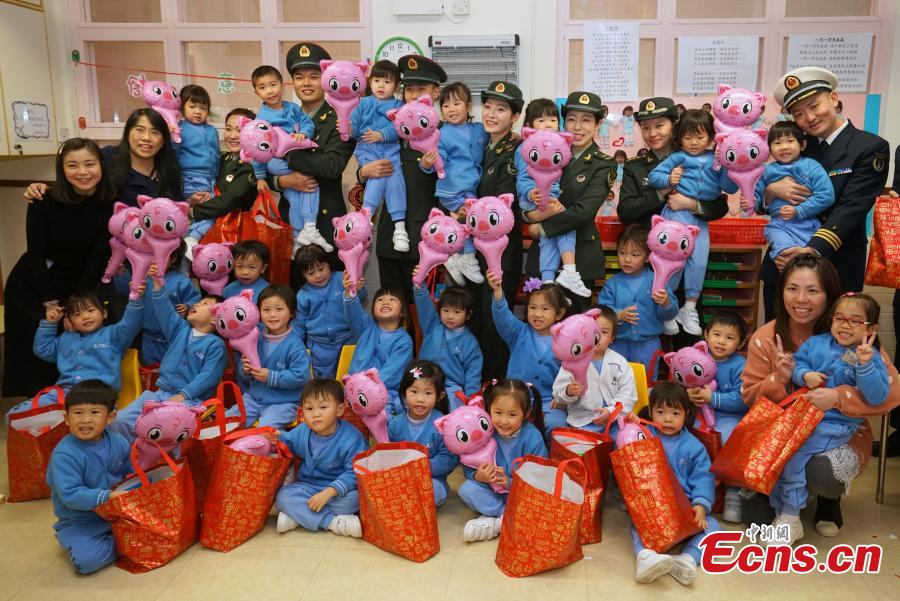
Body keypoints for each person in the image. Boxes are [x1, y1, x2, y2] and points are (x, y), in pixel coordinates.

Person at [741, 254, 900, 536]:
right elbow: (749, 397)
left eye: (812, 290)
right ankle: (788, 504)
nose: (801, 299)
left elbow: (889, 395)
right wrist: (782, 377)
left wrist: (838, 396)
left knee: (820, 470)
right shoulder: (767, 336)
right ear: (781, 291)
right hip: (783, 426)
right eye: (792, 288)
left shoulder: (856, 338)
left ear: (829, 295)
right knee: (756, 517)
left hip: (835, 431)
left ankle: (824, 500)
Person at [761, 67, 890, 319]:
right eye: (798, 113)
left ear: (833, 98)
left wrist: (811, 250)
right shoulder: (797, 146)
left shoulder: (869, 147)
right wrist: (769, 191)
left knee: (832, 347)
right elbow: (762, 202)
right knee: (780, 345)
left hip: (834, 264)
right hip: (783, 262)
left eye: (814, 105)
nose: (808, 118)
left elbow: (851, 208)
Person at [768, 293, 889, 543]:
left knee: (793, 453)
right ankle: (783, 505)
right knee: (777, 446)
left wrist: (865, 365)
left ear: (872, 328)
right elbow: (798, 366)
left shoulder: (869, 356)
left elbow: (877, 396)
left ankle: (791, 516)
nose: (845, 325)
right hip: (804, 415)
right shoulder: (816, 343)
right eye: (840, 318)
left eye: (855, 321)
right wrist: (804, 375)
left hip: (836, 424)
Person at [4, 138, 115, 397]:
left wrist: (75, 305)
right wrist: (50, 302)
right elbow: (35, 254)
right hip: (33, 286)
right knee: (35, 355)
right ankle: (37, 416)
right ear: (61, 169)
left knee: (73, 350)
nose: (83, 172)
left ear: (101, 165)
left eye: (90, 164)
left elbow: (97, 259)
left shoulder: (110, 203)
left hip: (78, 285)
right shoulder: (43, 199)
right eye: (72, 165)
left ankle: (71, 411)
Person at [110, 264, 226, 441]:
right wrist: (157, 284)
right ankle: (125, 457)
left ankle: (159, 459)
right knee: (120, 421)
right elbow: (164, 309)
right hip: (159, 394)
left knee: (162, 428)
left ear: (215, 318)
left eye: (205, 304)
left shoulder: (215, 345)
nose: (197, 304)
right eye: (199, 301)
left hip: (189, 401)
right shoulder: (180, 329)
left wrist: (183, 395)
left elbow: (208, 376)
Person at [648, 109, 738, 336]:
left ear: (711, 137)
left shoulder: (716, 160)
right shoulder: (678, 158)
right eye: (688, 137)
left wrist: (726, 164)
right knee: (673, 263)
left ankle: (688, 307)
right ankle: (668, 311)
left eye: (700, 136)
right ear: (680, 138)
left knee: (698, 262)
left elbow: (730, 188)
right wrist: (669, 179)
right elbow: (654, 178)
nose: (694, 142)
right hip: (674, 218)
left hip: (699, 221)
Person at [524, 91, 614, 311]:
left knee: (575, 332)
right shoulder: (548, 153)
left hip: (579, 259)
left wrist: (542, 227)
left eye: (586, 120)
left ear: (598, 124)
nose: (577, 127)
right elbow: (526, 194)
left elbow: (583, 211)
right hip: (543, 257)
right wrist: (528, 216)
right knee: (539, 327)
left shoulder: (603, 164)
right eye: (572, 119)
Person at [366, 54, 445, 305]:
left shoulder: (444, 133)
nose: (412, 95)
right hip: (391, 235)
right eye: (408, 89)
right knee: (392, 308)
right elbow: (367, 166)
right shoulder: (392, 130)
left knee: (427, 311)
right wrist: (363, 172)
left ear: (435, 92)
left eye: (420, 89)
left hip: (427, 240)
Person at [629, 382, 719, 586]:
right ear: (651, 412)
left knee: (714, 527)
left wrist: (701, 505)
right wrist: (633, 425)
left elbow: (703, 478)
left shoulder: (694, 447)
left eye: (675, 413)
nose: (667, 419)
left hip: (685, 508)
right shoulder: (646, 435)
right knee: (639, 523)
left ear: (686, 414)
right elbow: (630, 451)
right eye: (661, 412)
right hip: (655, 505)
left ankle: (686, 559)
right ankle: (645, 557)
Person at [6, 289, 144, 419]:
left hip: (99, 394)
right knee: (14, 416)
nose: (85, 316)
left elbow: (131, 323)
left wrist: (136, 299)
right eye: (77, 314)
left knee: (84, 422)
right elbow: (42, 349)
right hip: (64, 393)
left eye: (90, 310)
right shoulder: (66, 337)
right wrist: (50, 323)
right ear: (69, 321)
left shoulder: (114, 335)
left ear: (104, 313)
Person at [279, 43, 356, 265]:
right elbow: (260, 162)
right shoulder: (283, 118)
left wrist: (287, 155)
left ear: (325, 80)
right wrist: (280, 180)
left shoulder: (341, 119)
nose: (306, 83)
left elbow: (332, 165)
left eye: (314, 77)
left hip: (325, 220)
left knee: (330, 287)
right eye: (299, 77)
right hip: (291, 221)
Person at [45, 380, 132, 574]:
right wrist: (106, 497)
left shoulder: (119, 442)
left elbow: (131, 473)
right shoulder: (64, 454)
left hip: (117, 514)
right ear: (66, 418)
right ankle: (122, 543)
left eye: (94, 412)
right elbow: (71, 495)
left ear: (110, 417)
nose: (85, 419)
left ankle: (124, 540)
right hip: (80, 522)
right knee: (86, 562)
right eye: (78, 413)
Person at [471, 79, 524, 381]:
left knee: (496, 319)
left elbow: (503, 204)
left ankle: (496, 384)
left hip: (500, 250)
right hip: (474, 247)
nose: (490, 114)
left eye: (500, 109)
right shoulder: (479, 143)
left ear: (515, 116)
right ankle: (476, 384)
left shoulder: (514, 151)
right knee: (475, 315)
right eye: (488, 106)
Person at [516, 98, 591, 297]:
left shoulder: (560, 145)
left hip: (550, 198)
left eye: (552, 119)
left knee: (548, 238)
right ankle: (569, 270)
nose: (547, 124)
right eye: (540, 120)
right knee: (565, 226)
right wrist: (530, 192)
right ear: (529, 126)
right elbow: (523, 177)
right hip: (535, 198)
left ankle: (548, 279)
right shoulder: (525, 147)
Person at [275, 378, 369, 537]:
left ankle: (299, 516)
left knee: (357, 499)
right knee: (282, 496)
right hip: (308, 487)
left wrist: (329, 493)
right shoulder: (303, 430)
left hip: (337, 492)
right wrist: (277, 437)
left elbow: (355, 472)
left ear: (339, 410)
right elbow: (289, 441)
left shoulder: (352, 438)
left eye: (323, 407)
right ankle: (332, 522)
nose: (316, 414)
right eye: (309, 408)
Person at [617, 97, 729, 228]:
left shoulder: (698, 158)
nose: (652, 133)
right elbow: (625, 211)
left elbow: (720, 206)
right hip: (647, 242)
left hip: (689, 241)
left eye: (659, 126)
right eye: (645, 128)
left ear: (674, 126)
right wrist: (661, 192)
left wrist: (692, 204)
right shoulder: (633, 167)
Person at [458, 378, 547, 542]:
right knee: (467, 490)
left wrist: (510, 482)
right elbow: (468, 466)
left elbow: (540, 478)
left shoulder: (532, 437)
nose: (504, 421)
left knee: (540, 504)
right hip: (493, 494)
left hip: (521, 495)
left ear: (526, 414)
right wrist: (479, 476)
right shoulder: (484, 432)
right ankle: (506, 516)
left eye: (512, 415)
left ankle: (495, 520)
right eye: (498, 413)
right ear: (488, 410)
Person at [249, 64, 323, 254]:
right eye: (262, 87)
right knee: (308, 182)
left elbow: (307, 124)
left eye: (273, 85)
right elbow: (256, 150)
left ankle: (298, 236)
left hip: (294, 157)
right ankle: (308, 228)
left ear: (282, 85)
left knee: (294, 196)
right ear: (256, 92)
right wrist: (260, 177)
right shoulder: (261, 119)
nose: (269, 91)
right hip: (275, 161)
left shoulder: (293, 108)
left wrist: (304, 134)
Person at [422, 82, 488, 284]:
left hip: (470, 188)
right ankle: (466, 258)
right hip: (452, 189)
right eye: (446, 105)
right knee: (472, 222)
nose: (451, 109)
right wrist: (427, 163)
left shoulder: (479, 129)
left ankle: (456, 258)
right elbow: (436, 158)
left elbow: (494, 139)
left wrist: (513, 136)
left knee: (468, 224)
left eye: (456, 104)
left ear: (468, 107)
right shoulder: (441, 134)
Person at [488, 272, 566, 435]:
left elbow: (570, 375)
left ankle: (545, 455)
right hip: (512, 399)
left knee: (557, 422)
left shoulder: (566, 341)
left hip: (546, 402)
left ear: (559, 314)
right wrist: (497, 293)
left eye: (545, 309)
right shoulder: (518, 332)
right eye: (532, 307)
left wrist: (563, 399)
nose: (537, 314)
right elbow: (503, 317)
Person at [687, 310, 747, 523]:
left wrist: (712, 398)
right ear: (706, 334)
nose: (721, 342)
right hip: (698, 415)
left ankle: (733, 491)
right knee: (685, 437)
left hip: (728, 416)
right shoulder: (696, 357)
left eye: (730, 338)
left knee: (733, 439)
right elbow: (681, 380)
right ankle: (692, 489)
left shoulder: (740, 365)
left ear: (740, 344)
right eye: (717, 334)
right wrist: (689, 394)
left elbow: (742, 399)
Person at [598, 224, 678, 372]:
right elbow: (602, 313)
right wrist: (619, 315)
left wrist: (666, 303)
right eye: (622, 253)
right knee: (616, 380)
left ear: (648, 257)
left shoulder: (657, 280)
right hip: (617, 344)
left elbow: (670, 313)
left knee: (645, 383)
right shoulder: (612, 284)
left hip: (648, 344)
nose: (627, 259)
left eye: (635, 255)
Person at [752, 120, 834, 262]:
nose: (784, 147)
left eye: (790, 141)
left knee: (810, 260)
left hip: (808, 224)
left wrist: (799, 210)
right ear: (769, 149)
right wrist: (749, 201)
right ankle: (784, 263)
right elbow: (756, 200)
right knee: (785, 252)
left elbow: (826, 196)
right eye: (777, 143)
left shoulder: (811, 166)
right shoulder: (765, 171)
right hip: (778, 225)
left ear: (802, 145)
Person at [230, 285, 310, 429]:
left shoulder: (295, 346)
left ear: (291, 312)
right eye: (266, 310)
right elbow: (245, 376)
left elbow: (301, 377)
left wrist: (270, 376)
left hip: (283, 403)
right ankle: (231, 450)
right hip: (253, 399)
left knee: (266, 429)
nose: (272, 315)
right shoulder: (255, 339)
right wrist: (246, 370)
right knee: (229, 422)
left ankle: (261, 449)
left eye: (279, 309)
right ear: (258, 312)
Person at [552, 304, 637, 434]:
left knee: (623, 441)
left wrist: (611, 411)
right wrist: (569, 391)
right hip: (583, 422)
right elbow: (558, 394)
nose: (597, 337)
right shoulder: (571, 362)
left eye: (604, 332)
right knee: (582, 447)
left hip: (615, 421)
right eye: (594, 330)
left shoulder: (620, 363)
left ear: (612, 338)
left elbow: (628, 394)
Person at [351, 59, 407, 252]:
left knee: (395, 181)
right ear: (370, 82)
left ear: (397, 86)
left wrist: (381, 134)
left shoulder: (399, 105)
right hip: (367, 151)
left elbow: (399, 126)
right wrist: (347, 128)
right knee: (377, 176)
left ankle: (399, 228)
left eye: (387, 81)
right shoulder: (362, 103)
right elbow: (354, 127)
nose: (381, 85)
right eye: (377, 80)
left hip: (390, 153)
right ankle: (367, 215)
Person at [112, 241, 199, 364]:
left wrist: (188, 307)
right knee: (150, 371)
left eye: (160, 255)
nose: (154, 260)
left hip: (175, 337)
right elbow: (127, 291)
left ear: (173, 259)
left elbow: (196, 299)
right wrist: (121, 274)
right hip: (149, 338)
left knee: (174, 366)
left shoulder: (182, 281)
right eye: (150, 254)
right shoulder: (142, 276)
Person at [387, 360, 458, 506]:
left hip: (433, 480)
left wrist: (419, 468)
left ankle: (409, 504)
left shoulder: (443, 425)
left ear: (440, 396)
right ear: (404, 393)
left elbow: (448, 459)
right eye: (414, 391)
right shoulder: (395, 424)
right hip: (402, 479)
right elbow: (390, 455)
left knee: (431, 492)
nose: (420, 399)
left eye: (428, 393)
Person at [343, 274, 413, 417]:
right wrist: (350, 292)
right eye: (380, 300)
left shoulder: (404, 341)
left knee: (381, 415)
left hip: (384, 393)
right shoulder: (366, 326)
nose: (385, 302)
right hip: (353, 389)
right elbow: (353, 313)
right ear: (373, 309)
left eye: (392, 300)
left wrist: (367, 388)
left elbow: (390, 374)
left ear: (402, 313)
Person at [292, 244, 363, 379]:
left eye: (321, 269)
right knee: (323, 381)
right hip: (319, 347)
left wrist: (357, 289)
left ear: (329, 264)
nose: (318, 275)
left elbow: (359, 300)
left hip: (347, 340)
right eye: (311, 273)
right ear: (303, 275)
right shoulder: (303, 295)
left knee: (349, 375)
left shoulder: (342, 278)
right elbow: (299, 325)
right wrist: (297, 348)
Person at [412, 279, 481, 407]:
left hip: (451, 386)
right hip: (422, 379)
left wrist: (472, 398)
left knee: (457, 407)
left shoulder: (470, 343)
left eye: (457, 312)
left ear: (468, 315)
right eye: (445, 310)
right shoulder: (432, 326)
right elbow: (424, 305)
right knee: (403, 401)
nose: (450, 316)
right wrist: (419, 284)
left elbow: (473, 374)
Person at [186, 107, 259, 228]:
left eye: (240, 130)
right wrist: (193, 200)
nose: (232, 136)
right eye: (228, 129)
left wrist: (192, 212)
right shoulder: (222, 158)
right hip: (208, 225)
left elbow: (228, 201)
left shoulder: (254, 166)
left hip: (232, 230)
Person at [176, 84, 221, 255]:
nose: (198, 111)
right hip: (188, 178)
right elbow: (174, 154)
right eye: (192, 106)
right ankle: (191, 238)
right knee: (192, 212)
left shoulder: (211, 130)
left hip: (208, 180)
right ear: (182, 108)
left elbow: (216, 155)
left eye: (203, 108)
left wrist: (214, 177)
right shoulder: (179, 127)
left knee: (213, 211)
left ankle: (190, 239)